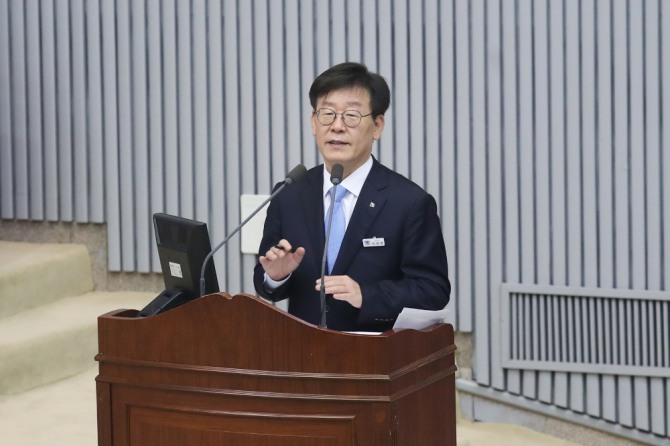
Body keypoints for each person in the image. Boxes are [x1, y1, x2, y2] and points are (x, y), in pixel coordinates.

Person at [253, 62, 450, 332]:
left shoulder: (409, 202)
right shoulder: (289, 194)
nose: (337, 126)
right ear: (313, 122)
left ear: (377, 126)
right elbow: (265, 282)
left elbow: (433, 290)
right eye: (327, 114)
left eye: (351, 116)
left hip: (375, 352)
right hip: (302, 350)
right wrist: (276, 276)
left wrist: (366, 295)